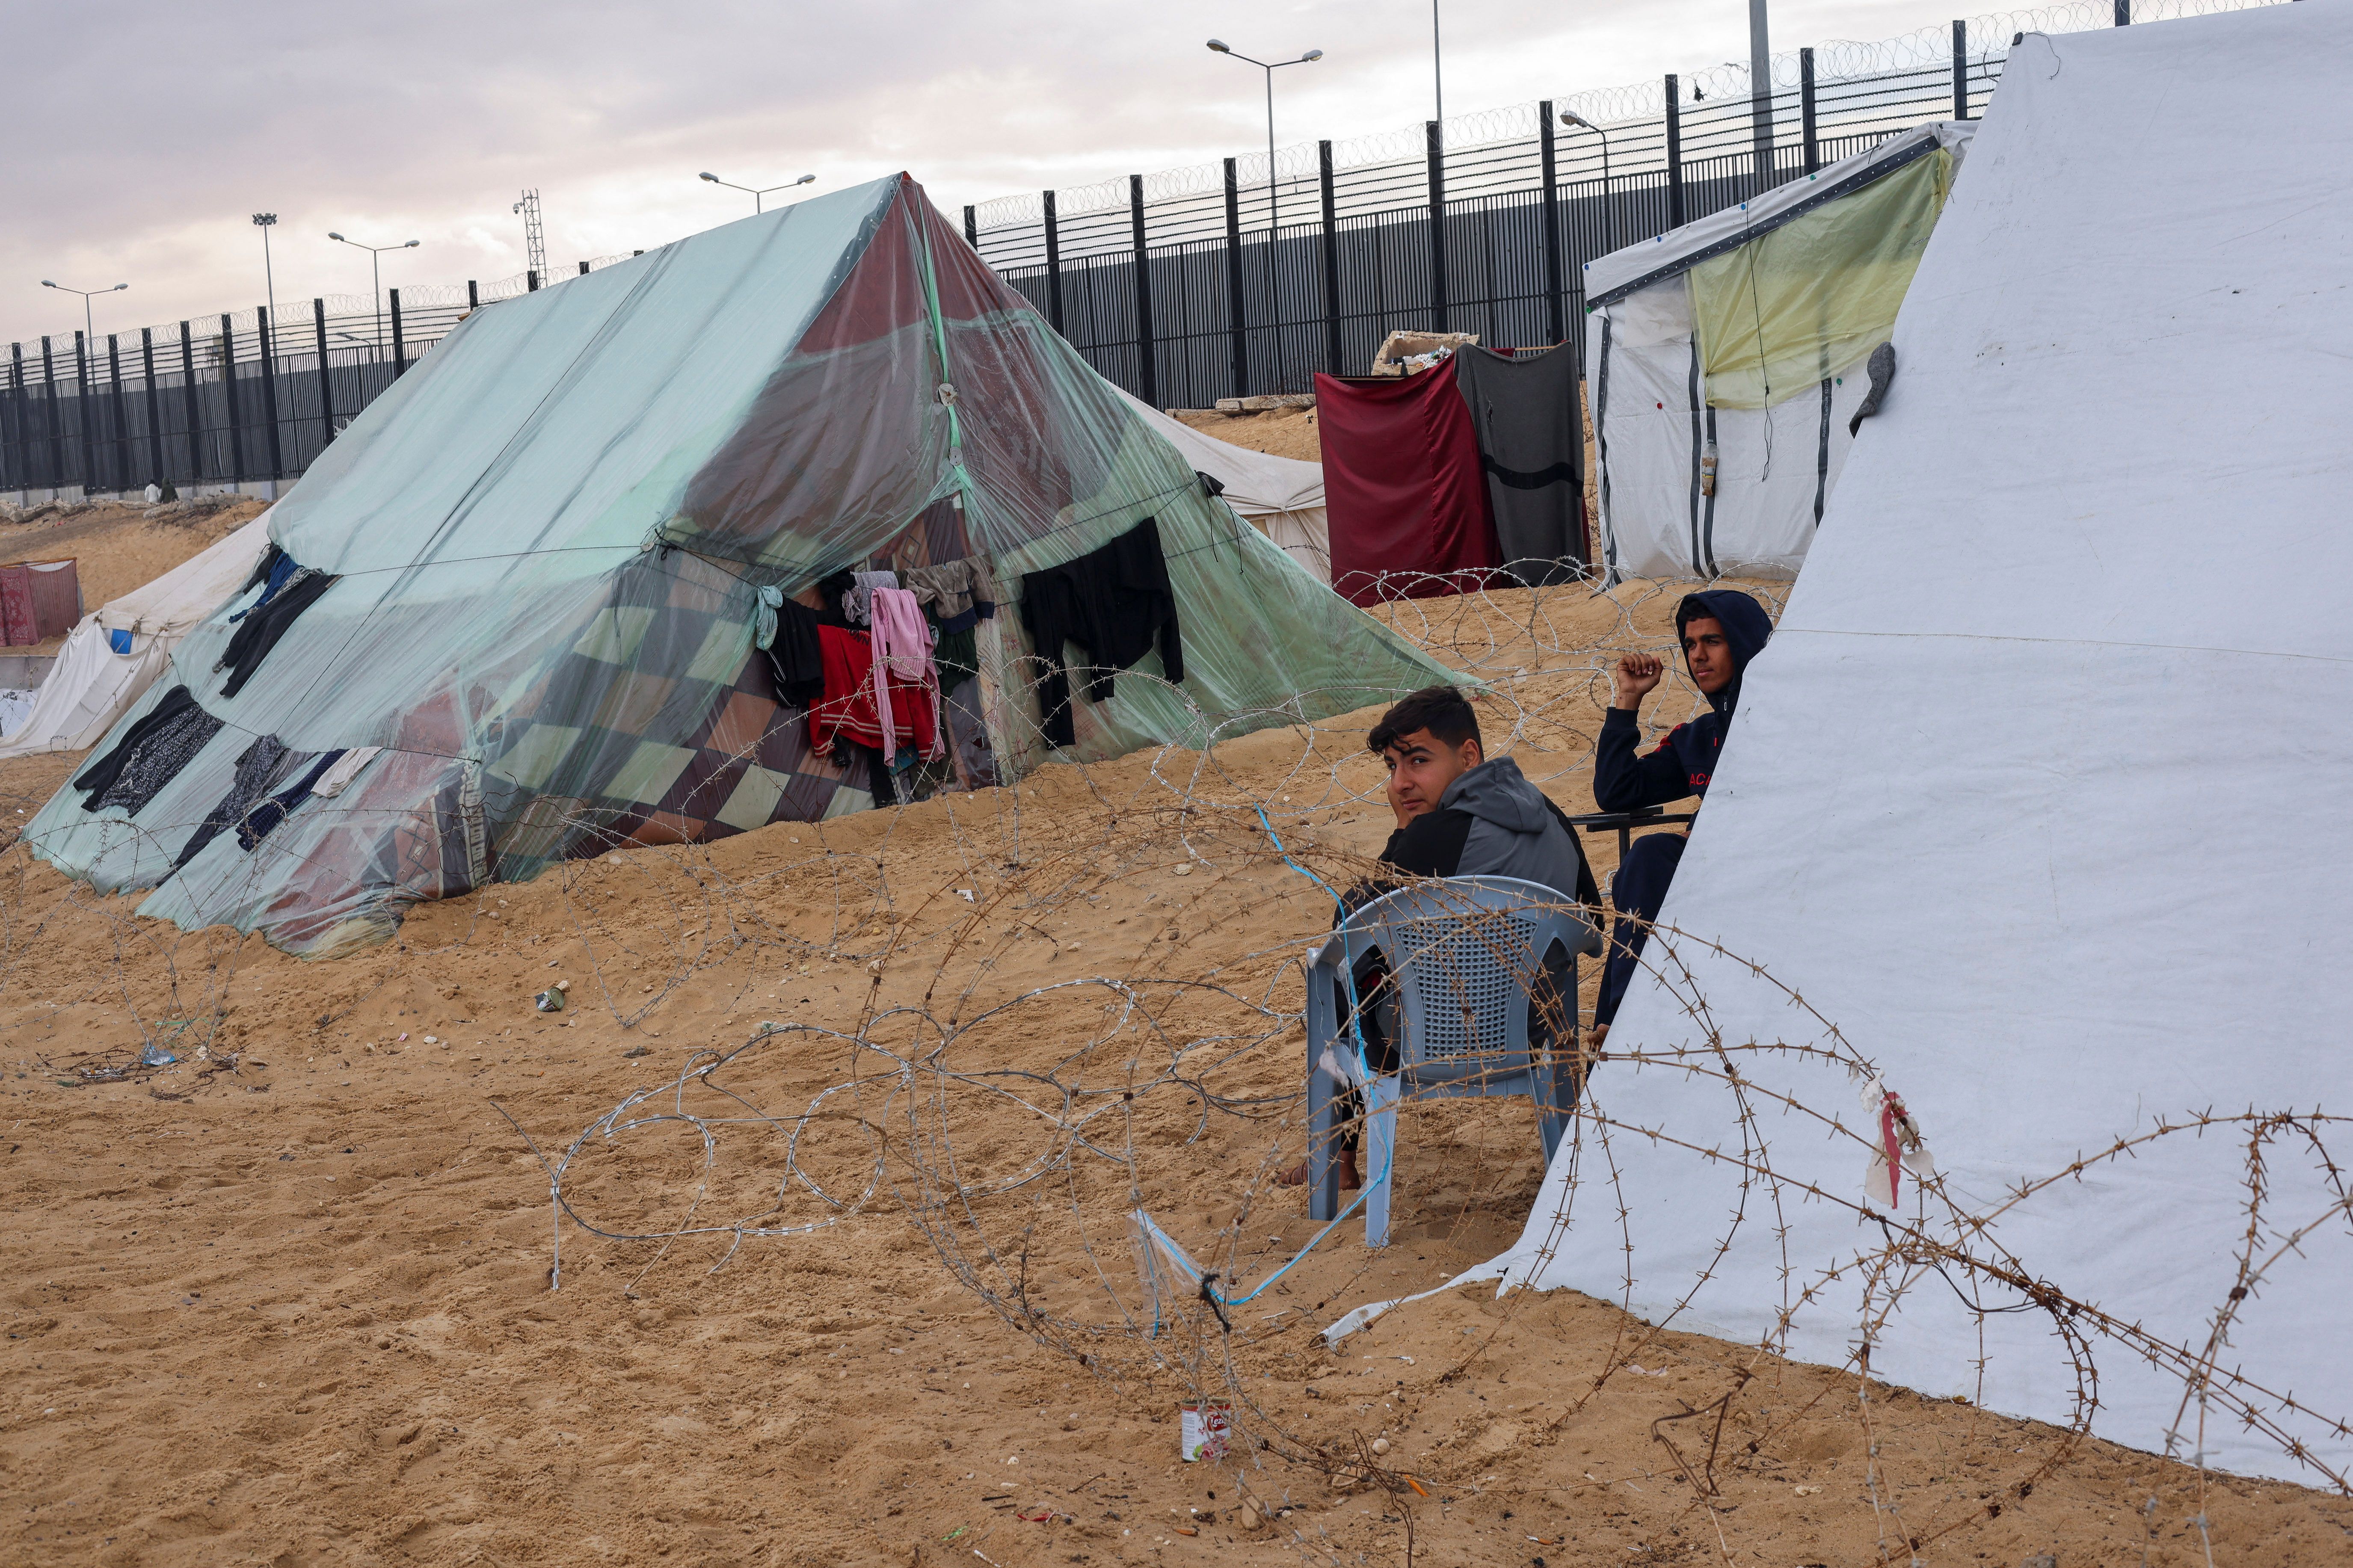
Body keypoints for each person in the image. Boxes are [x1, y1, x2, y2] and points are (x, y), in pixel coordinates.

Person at [1280, 685, 1599, 1189]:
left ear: (1468, 756)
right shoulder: (1551, 814)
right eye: (1392, 767)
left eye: (1418, 761)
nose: (1402, 783)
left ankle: (1335, 1157)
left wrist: (1404, 832)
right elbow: (1593, 920)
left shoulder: (1434, 834)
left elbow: (1347, 919)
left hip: (1429, 1040)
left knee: (1338, 973)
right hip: (1535, 1032)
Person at [1588, 589, 1773, 1047]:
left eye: (1713, 641)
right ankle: (1623, 1021)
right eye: (1690, 645)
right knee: (1649, 855)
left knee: (1653, 855)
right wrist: (1628, 700)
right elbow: (1618, 792)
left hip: (1773, 869)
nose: (1698, 656)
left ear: (1744, 643)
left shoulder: (1783, 722)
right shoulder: (1699, 737)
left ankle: (1623, 1021)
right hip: (1711, 873)